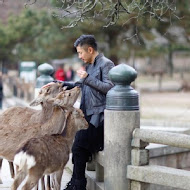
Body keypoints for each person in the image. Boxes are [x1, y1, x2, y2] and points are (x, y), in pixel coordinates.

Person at [43, 34, 115, 190]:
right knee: (77, 148)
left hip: (99, 118)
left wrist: (88, 77)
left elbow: (110, 88)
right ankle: (76, 183)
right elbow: (80, 85)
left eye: (81, 53)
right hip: (87, 115)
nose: (79, 56)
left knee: (78, 147)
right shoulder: (90, 65)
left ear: (90, 50)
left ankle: (78, 185)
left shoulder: (106, 64)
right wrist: (59, 83)